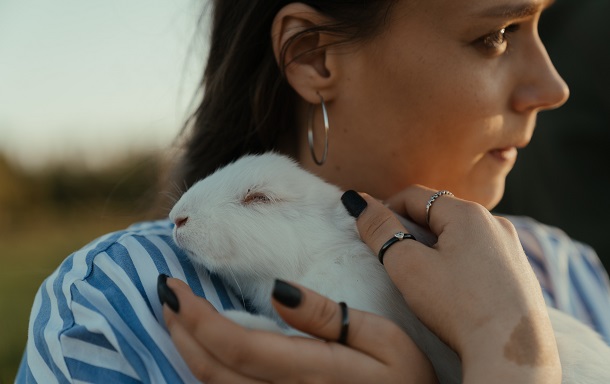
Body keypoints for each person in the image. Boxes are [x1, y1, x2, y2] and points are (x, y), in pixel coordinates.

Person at [16, 0, 610, 382]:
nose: (553, 85)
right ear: (315, 56)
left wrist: (512, 364)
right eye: (498, 34)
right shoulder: (113, 306)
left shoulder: (571, 273)